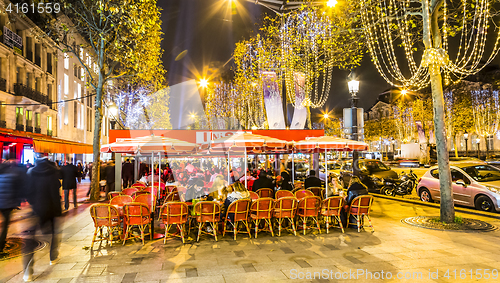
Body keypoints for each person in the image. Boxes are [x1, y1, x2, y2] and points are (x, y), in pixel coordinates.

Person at [23, 156, 62, 282]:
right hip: (50, 208)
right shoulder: (53, 173)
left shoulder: (31, 173)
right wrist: (58, 210)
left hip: (36, 209)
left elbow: (28, 192)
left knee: (30, 240)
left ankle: (28, 271)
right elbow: (56, 193)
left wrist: (34, 203)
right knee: (55, 233)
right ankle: (53, 257)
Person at [0, 160, 25, 256]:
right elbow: (16, 190)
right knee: (5, 226)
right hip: (6, 204)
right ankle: (1, 247)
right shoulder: (11, 176)